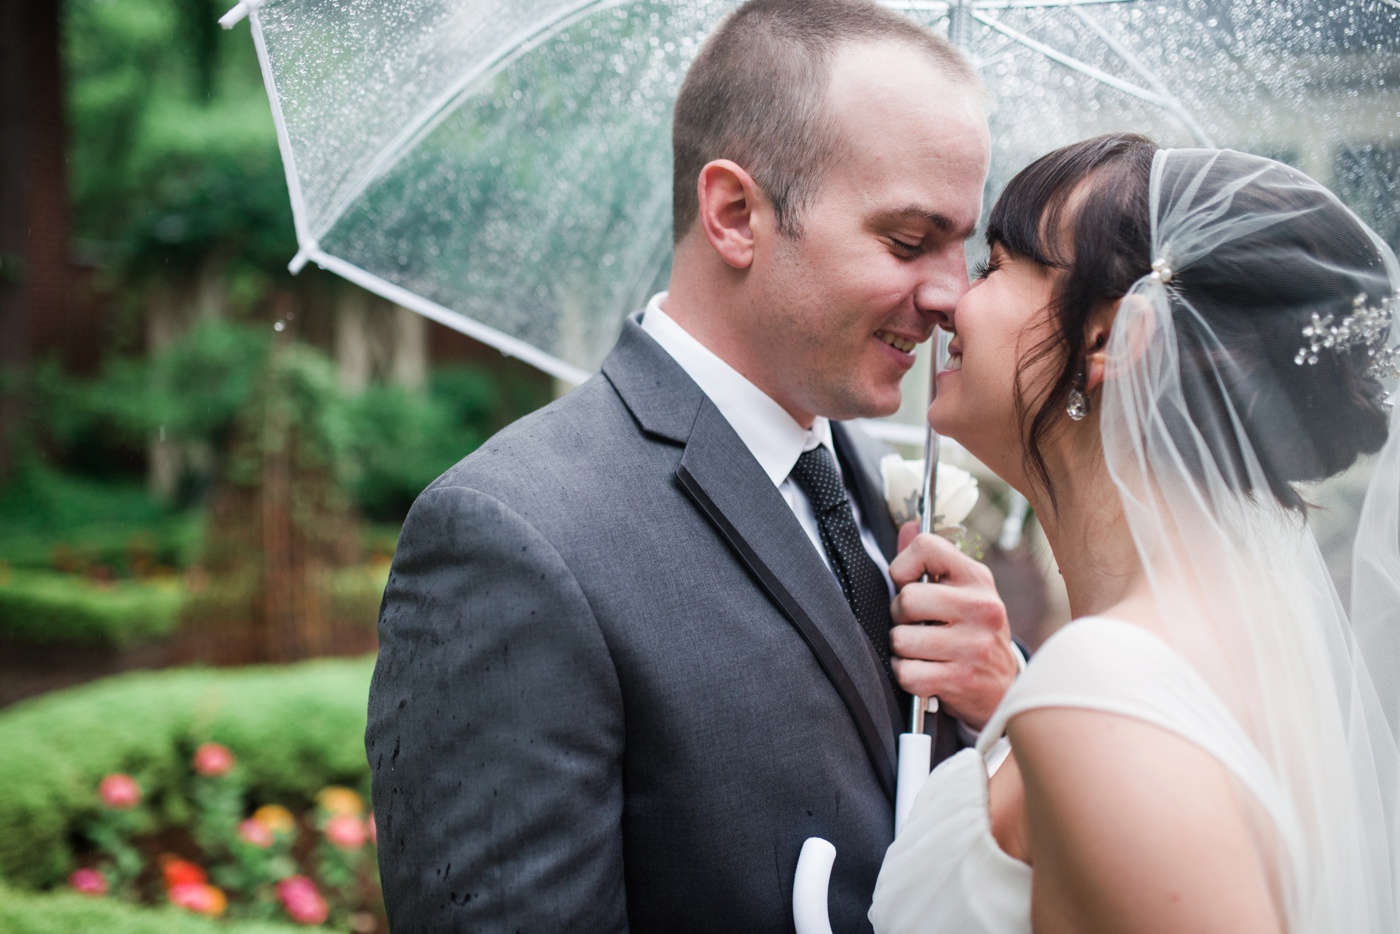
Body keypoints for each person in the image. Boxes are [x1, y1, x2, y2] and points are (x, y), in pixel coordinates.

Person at [366, 1, 1021, 930]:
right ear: (735, 213)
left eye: (964, 246)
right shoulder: (514, 536)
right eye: (909, 242)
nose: (952, 294)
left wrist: (1004, 689)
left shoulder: (866, 478)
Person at [872, 134, 1400, 932]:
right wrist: (1012, 697)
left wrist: (1063, 709)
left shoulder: (1103, 691)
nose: (948, 297)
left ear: (1110, 339)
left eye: (995, 265)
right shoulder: (1225, 647)